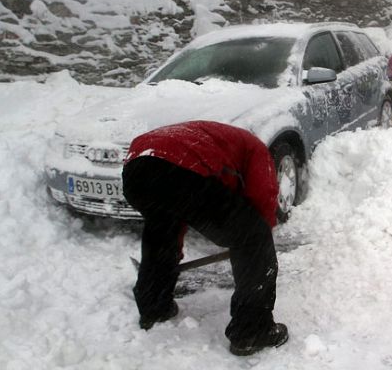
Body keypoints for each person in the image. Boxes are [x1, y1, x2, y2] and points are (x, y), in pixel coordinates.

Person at [121, 120, 288, 356]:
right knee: (253, 236)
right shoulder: (256, 148)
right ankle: (252, 332)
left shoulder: (215, 140)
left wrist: (170, 255)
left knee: (163, 228)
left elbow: (181, 209)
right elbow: (264, 194)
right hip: (176, 167)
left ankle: (154, 306)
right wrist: (259, 239)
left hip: (137, 169)